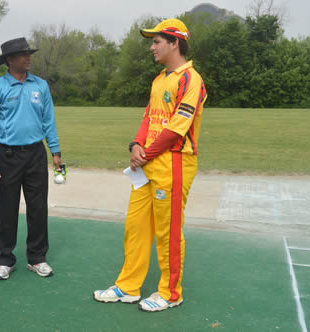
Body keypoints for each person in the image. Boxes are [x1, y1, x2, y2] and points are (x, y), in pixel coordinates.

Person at [93, 18, 207, 312]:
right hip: (149, 163)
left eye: (157, 42)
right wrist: (134, 145)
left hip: (175, 162)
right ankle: (128, 287)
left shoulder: (190, 79)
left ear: (174, 43)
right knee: (136, 225)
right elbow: (149, 118)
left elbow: (175, 129)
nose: (152, 47)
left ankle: (171, 293)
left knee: (167, 230)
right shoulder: (159, 79)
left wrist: (146, 153)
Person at [0, 37, 62, 280]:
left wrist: (55, 152)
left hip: (36, 154)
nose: (28, 58)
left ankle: (37, 258)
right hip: (7, 155)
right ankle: (5, 259)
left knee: (38, 208)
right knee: (7, 209)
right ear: (9, 60)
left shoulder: (41, 85)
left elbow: (49, 121)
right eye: (22, 54)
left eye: (29, 53)